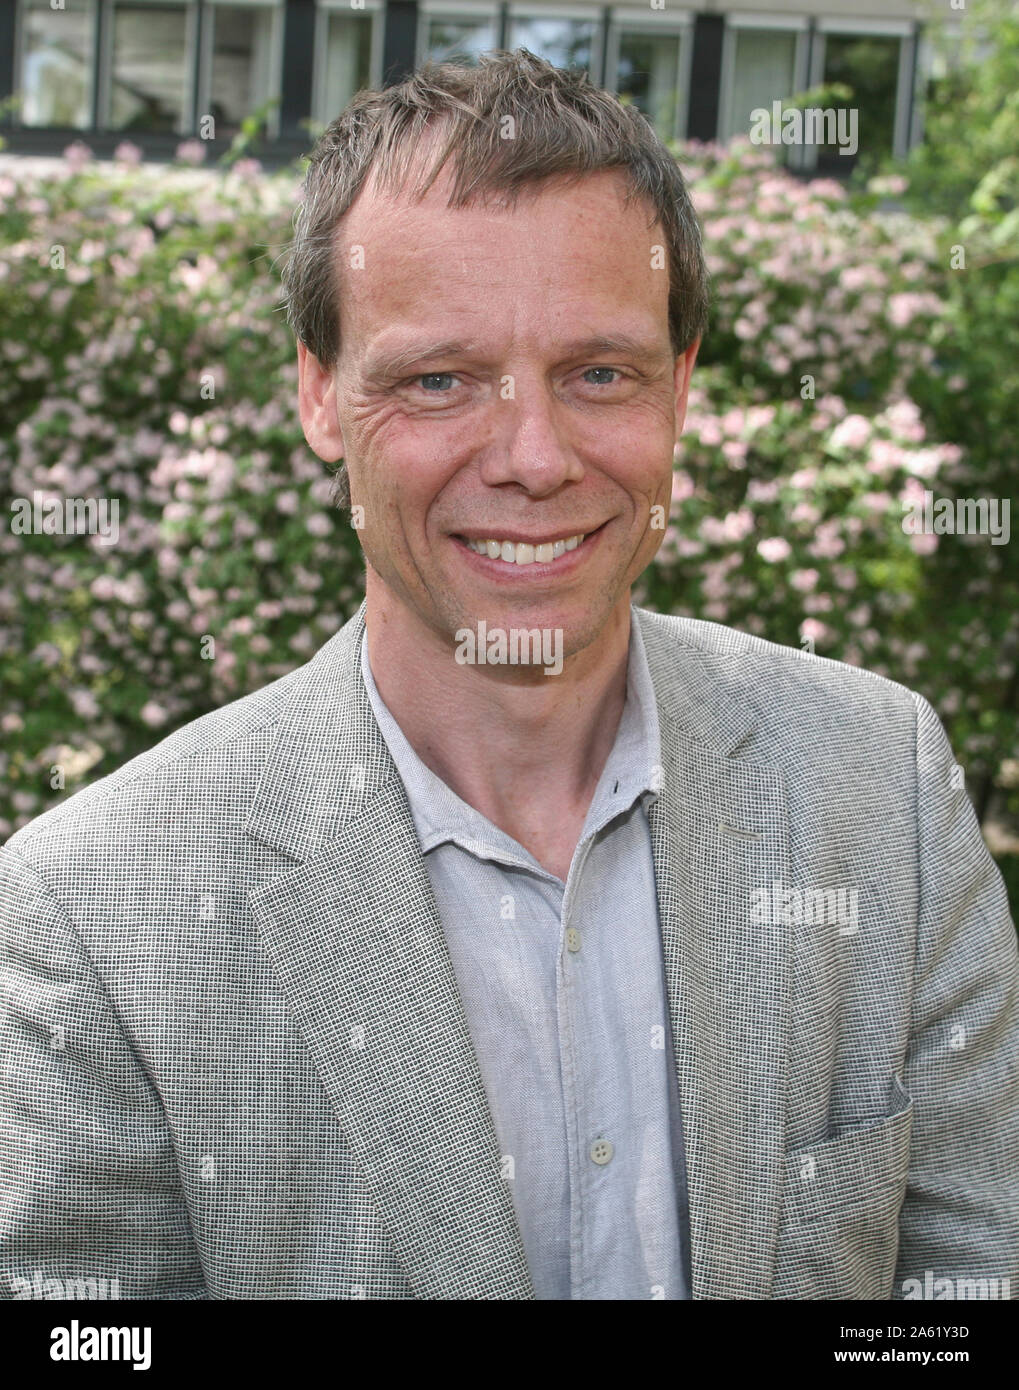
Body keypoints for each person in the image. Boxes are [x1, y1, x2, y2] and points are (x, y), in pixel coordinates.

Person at [1, 49, 1016, 1302]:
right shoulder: (90, 918)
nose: (533, 456)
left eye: (600, 373)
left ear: (681, 389)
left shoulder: (882, 792)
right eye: (438, 381)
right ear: (320, 397)